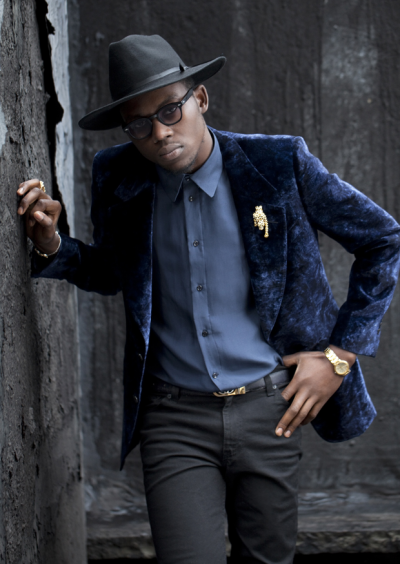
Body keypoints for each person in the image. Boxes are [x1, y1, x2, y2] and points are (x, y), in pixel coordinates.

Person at [16, 35, 400, 564]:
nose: (159, 132)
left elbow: (383, 240)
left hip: (271, 410)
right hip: (173, 417)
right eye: (138, 124)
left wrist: (340, 356)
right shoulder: (118, 175)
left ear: (199, 98)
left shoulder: (278, 162)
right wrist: (52, 244)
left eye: (169, 110)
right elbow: (115, 273)